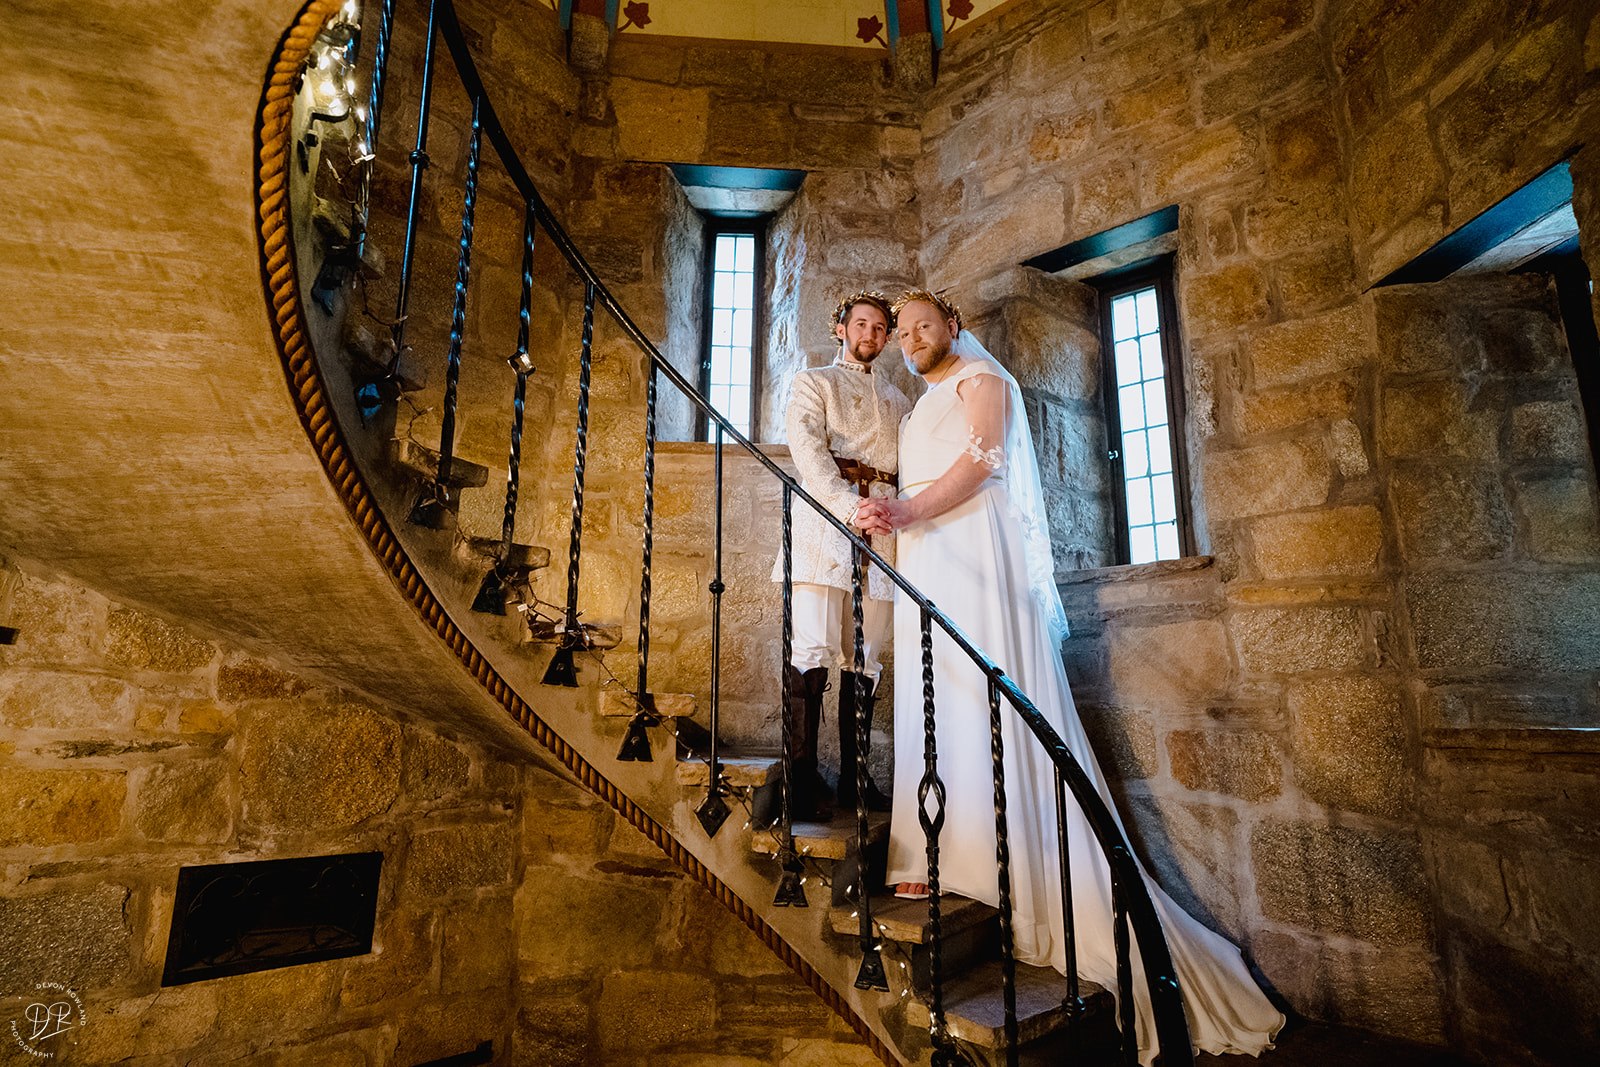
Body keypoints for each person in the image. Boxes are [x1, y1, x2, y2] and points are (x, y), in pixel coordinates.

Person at [855, 291, 1282, 1064]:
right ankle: (940, 851)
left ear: (952, 324)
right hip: (927, 555)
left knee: (987, 693)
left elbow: (982, 464)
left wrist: (907, 510)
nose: (913, 339)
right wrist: (896, 516)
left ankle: (1014, 861)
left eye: (924, 326)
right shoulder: (917, 409)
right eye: (904, 333)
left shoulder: (985, 383)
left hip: (972, 553)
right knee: (936, 694)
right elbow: (916, 481)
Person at [771, 290, 912, 821]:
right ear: (841, 328)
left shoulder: (901, 401)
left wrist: (891, 514)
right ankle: (799, 781)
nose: (870, 335)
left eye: (880, 328)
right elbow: (808, 452)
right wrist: (849, 507)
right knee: (810, 649)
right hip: (824, 528)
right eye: (861, 325)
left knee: (866, 657)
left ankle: (855, 780)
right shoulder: (814, 383)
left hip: (883, 533)